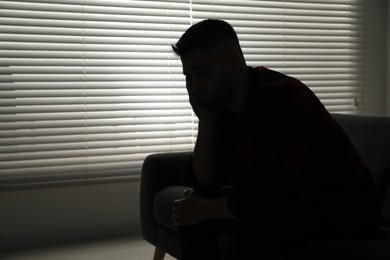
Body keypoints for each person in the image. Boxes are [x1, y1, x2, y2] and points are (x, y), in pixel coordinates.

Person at [171, 19, 381, 260]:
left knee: (254, 227)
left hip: (340, 208)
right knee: (189, 215)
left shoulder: (284, 98)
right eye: (188, 76)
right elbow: (204, 183)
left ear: (233, 62)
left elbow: (267, 196)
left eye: (201, 73)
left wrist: (203, 208)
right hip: (290, 201)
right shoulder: (223, 108)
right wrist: (206, 121)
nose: (194, 86)